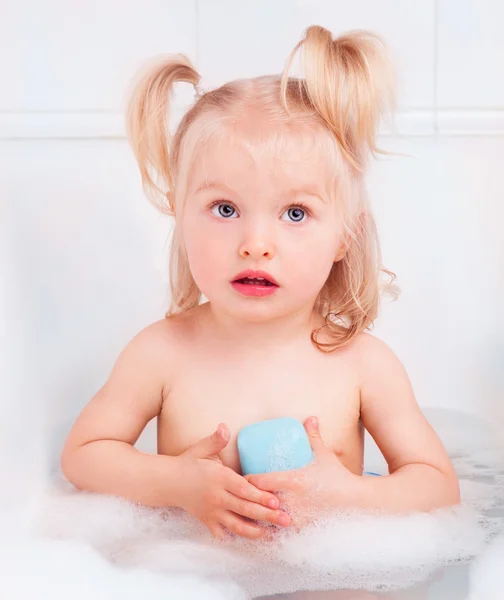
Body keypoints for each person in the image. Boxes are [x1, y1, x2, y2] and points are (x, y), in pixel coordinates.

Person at [61, 25, 460, 543]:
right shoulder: (161, 353)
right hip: (190, 577)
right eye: (224, 209)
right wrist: (176, 482)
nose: (255, 243)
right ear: (179, 216)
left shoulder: (364, 364)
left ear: (345, 236)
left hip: (331, 567)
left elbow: (438, 486)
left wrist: (351, 496)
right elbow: (83, 456)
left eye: (295, 213)